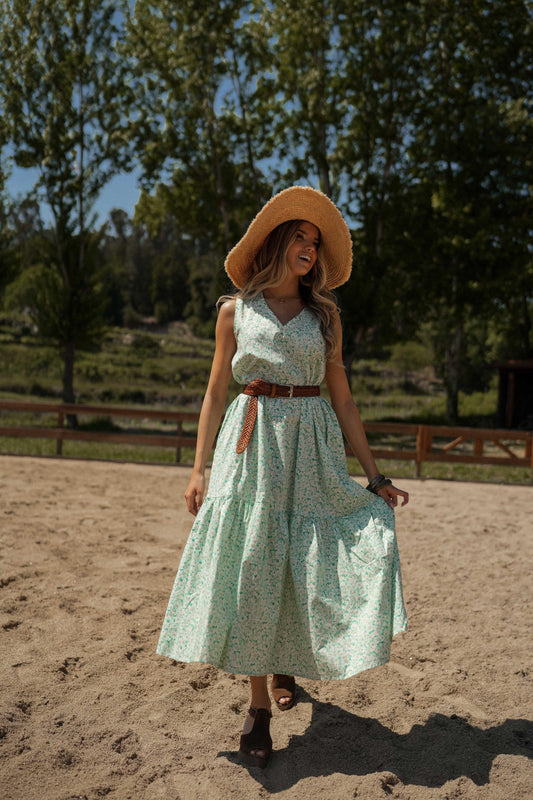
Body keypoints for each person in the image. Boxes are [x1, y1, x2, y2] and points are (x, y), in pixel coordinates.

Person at [156, 186, 409, 769]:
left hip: (312, 448)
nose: (310, 249)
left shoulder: (326, 317)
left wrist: (375, 476)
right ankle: (258, 709)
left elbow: (343, 399)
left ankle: (284, 660)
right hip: (251, 446)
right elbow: (216, 391)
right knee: (253, 562)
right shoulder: (234, 311)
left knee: (301, 559)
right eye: (300, 237)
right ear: (275, 243)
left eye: (315, 243)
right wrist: (198, 468)